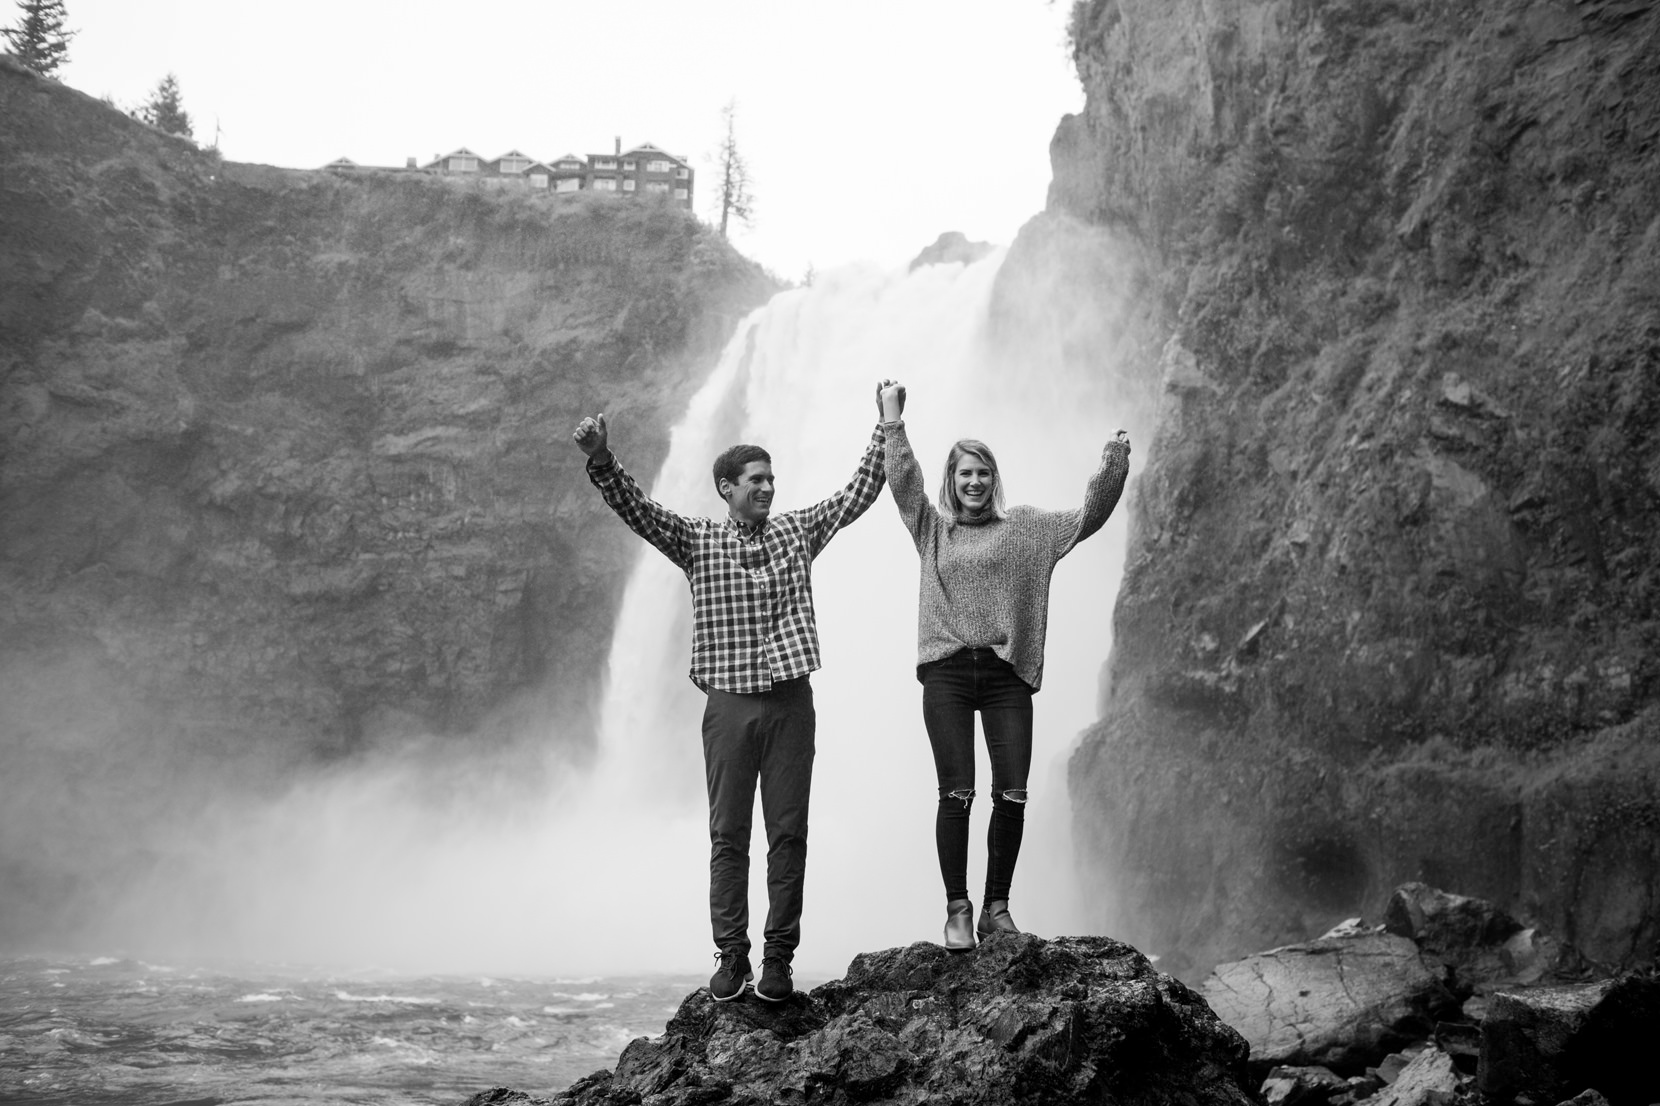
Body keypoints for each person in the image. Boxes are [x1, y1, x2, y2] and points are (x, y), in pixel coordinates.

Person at [572, 386, 891, 1002]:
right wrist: (602, 460)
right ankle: (731, 957)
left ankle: (778, 960)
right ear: (726, 487)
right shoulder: (697, 541)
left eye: (772, 478)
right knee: (728, 835)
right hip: (728, 705)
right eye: (756, 479)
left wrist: (887, 425)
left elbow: (857, 494)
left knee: (789, 833)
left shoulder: (798, 531)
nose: (768, 488)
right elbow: (639, 511)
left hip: (792, 702)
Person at [877, 382, 1130, 949]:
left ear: (994, 480)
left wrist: (1113, 461)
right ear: (951, 481)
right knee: (957, 793)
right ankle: (958, 910)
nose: (973, 482)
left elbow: (1088, 516)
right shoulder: (931, 528)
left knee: (1012, 792)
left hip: (1005, 676)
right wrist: (892, 420)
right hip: (945, 672)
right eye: (964, 474)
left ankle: (996, 907)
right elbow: (903, 483)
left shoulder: (1028, 529)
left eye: (982, 473)